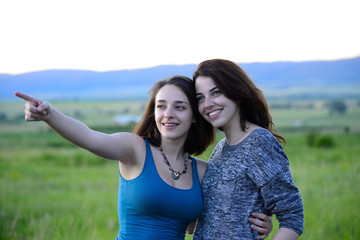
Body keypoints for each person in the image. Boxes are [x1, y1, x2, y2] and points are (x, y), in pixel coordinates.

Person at [15, 75, 272, 240]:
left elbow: (207, 225)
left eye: (179, 106)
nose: (168, 114)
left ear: (194, 116)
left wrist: (258, 225)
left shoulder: (203, 172)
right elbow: (89, 136)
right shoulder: (135, 150)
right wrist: (49, 114)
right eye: (161, 106)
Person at [192, 59, 304, 240]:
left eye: (216, 92)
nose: (207, 104)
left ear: (236, 91)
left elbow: (293, 218)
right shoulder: (220, 149)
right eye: (200, 98)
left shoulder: (259, 142)